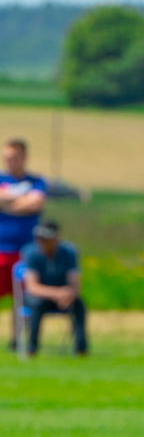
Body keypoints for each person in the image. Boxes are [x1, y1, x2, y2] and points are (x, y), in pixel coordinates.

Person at [0, 137, 47, 350]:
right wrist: (20, 200)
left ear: (24, 157)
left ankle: (17, 338)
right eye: (7, 158)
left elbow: (35, 203)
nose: (10, 161)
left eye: (15, 157)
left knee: (21, 298)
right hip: (2, 248)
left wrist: (7, 204)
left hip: (26, 250)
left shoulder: (36, 181)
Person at [21, 219, 88, 356]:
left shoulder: (69, 252)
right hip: (39, 298)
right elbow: (32, 287)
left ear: (56, 238)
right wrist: (57, 293)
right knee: (37, 304)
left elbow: (74, 283)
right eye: (40, 238)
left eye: (46, 238)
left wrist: (69, 295)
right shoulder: (30, 253)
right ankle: (32, 348)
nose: (43, 242)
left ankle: (81, 348)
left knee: (79, 304)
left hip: (63, 298)